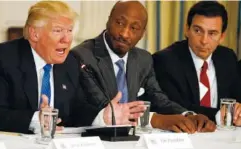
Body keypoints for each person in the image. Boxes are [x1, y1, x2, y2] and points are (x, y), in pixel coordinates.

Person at [72, 1, 215, 133]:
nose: (124, 33)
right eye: (120, 23)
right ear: (108, 20)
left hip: (133, 137)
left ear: (142, 33)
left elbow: (157, 98)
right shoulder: (82, 56)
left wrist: (188, 115)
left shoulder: (143, 59)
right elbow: (105, 108)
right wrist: (157, 120)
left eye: (134, 28)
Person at [0, 1, 101, 134]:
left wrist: (101, 116)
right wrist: (35, 120)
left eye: (69, 30)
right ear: (34, 34)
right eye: (58, 31)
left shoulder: (71, 62)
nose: (66, 39)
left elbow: (76, 108)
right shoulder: (2, 58)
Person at [152, 1, 241, 126]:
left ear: (222, 37)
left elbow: (237, 98)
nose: (204, 41)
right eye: (198, 31)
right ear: (187, 30)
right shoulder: (165, 60)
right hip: (186, 134)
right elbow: (175, 106)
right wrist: (221, 115)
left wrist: (238, 111)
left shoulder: (227, 57)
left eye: (212, 33)